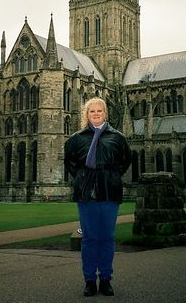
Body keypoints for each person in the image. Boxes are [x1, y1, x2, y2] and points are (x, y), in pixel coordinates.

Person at [64, 97, 131, 297]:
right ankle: (90, 281)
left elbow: (125, 161)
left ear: (105, 113)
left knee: (107, 238)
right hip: (86, 193)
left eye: (99, 111)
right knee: (90, 238)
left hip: (110, 191)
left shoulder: (117, 137)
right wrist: (85, 178)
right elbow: (70, 163)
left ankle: (106, 280)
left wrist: (109, 176)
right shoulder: (77, 138)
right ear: (86, 114)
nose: (95, 114)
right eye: (91, 111)